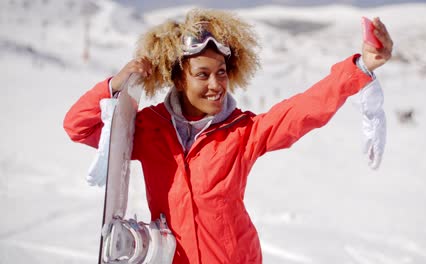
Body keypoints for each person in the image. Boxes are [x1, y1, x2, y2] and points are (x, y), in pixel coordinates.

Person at [63, 8, 392, 264]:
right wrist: (115, 86)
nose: (215, 84)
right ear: (179, 79)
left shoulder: (241, 131)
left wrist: (359, 68)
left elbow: (300, 111)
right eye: (202, 74)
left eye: (221, 73)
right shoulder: (150, 129)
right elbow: (79, 126)